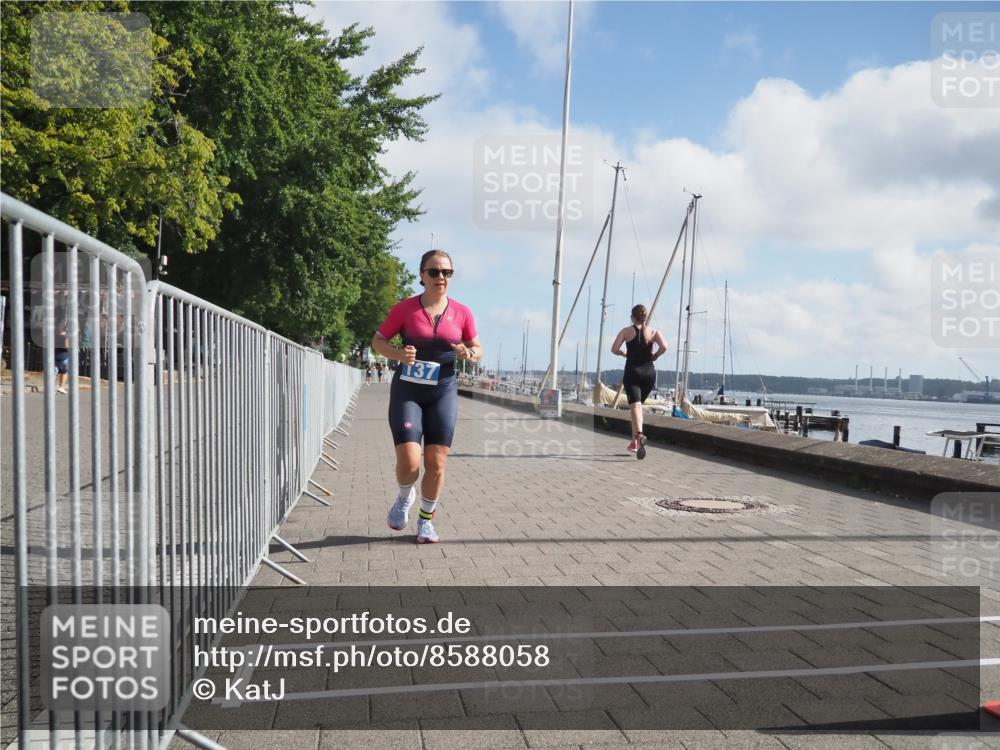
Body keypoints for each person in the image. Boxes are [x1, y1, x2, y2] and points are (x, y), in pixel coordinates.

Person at [371, 249, 482, 543]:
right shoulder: (404, 309)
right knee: (409, 463)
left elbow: (476, 348)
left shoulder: (462, 312)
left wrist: (467, 352)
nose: (441, 277)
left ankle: (425, 521)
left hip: (443, 390)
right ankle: (405, 495)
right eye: (434, 272)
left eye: (446, 272)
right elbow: (377, 341)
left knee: (436, 463)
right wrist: (398, 353)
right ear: (422, 275)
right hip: (408, 389)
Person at [610, 304, 667, 459]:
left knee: (635, 406)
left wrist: (623, 354)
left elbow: (614, 349)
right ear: (645, 317)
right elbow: (664, 346)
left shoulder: (626, 331)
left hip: (632, 372)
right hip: (649, 373)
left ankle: (639, 436)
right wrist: (655, 356)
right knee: (638, 407)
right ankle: (635, 442)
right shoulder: (654, 332)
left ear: (632, 317)